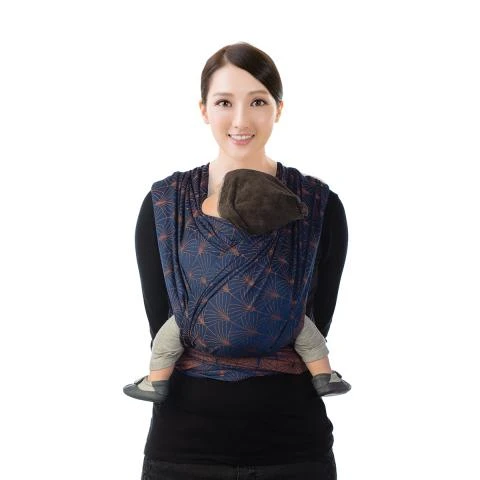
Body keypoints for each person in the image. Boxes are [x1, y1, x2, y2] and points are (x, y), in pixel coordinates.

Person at [129, 42, 349, 479]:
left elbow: (314, 321)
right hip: (184, 451)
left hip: (292, 449)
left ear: (279, 108)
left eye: (258, 102)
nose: (241, 120)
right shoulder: (165, 205)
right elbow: (164, 324)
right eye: (225, 102)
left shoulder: (318, 206)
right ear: (204, 109)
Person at [123, 169, 351, 404]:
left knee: (166, 340)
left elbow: (156, 302)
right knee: (309, 337)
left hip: (204, 324)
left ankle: (156, 382)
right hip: (279, 319)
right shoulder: (306, 209)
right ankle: (324, 376)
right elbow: (324, 302)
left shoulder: (183, 208)